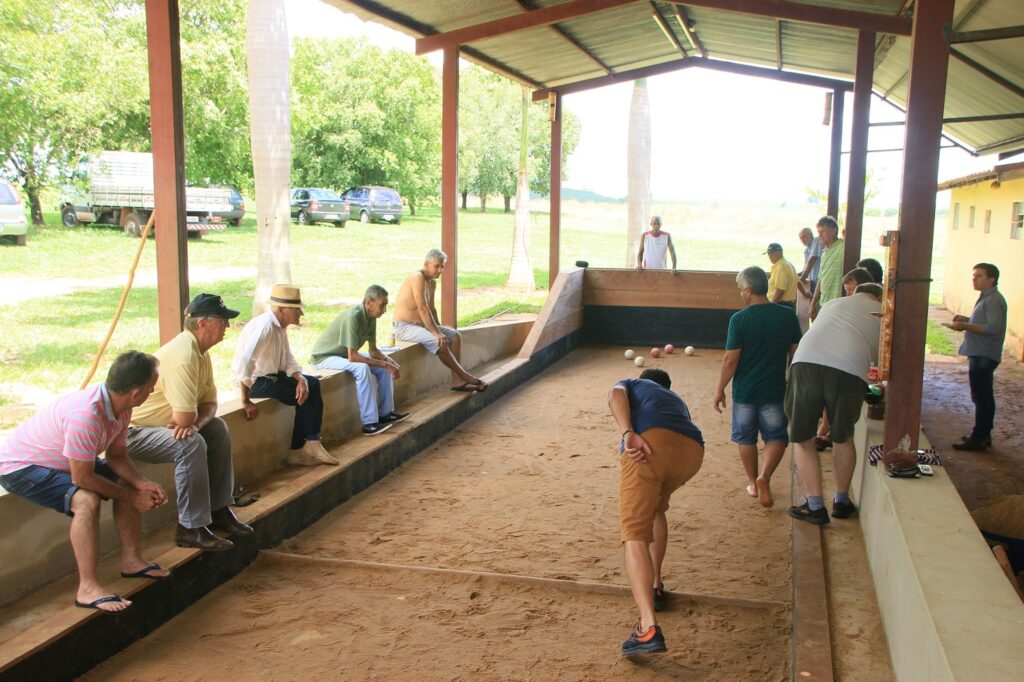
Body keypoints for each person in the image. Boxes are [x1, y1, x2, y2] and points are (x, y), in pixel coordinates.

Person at [0, 351, 170, 613]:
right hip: (19, 466)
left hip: (63, 461)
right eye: (151, 388)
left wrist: (142, 484)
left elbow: (117, 457)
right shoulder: (86, 415)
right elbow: (82, 478)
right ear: (136, 392)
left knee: (128, 485)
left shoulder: (121, 407)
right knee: (86, 499)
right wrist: (132, 498)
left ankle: (133, 561)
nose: (152, 392)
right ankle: (87, 588)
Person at [128, 294, 253, 552]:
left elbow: (209, 405)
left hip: (165, 426)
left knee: (216, 429)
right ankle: (190, 527)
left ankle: (219, 509)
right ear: (203, 324)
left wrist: (195, 424)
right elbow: (184, 418)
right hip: (135, 432)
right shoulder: (184, 354)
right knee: (189, 443)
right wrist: (192, 425)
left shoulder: (201, 353)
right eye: (222, 321)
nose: (227, 327)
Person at [607, 368, 704, 655]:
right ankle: (656, 584)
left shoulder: (633, 383)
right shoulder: (676, 400)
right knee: (657, 509)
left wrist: (627, 432)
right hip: (692, 452)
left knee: (634, 532)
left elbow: (615, 394)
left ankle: (647, 627)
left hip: (651, 446)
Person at [785, 283, 882, 524]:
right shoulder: (884, 313)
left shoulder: (834, 303)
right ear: (879, 296)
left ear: (855, 292)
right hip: (849, 370)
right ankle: (841, 501)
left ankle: (815, 505)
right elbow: (881, 367)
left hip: (807, 360)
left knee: (802, 439)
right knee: (843, 437)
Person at [713, 267, 802, 508]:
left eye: (741, 289)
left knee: (746, 438)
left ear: (749, 291)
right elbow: (796, 353)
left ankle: (753, 482)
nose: (740, 293)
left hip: (745, 391)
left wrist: (720, 388)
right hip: (774, 388)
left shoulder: (739, 320)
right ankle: (766, 476)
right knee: (776, 437)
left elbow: (731, 360)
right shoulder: (787, 316)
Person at [232, 284, 339, 467]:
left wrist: (300, 378)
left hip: (273, 377)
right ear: (282, 310)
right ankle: (307, 445)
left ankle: (304, 447)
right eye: (297, 310)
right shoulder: (265, 327)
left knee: (310, 385)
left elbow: (288, 359)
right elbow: (246, 362)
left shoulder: (279, 328)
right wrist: (245, 399)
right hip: (257, 383)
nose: (301, 314)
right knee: (307, 394)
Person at [311, 284, 409, 436]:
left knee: (384, 368)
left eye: (386, 306)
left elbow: (373, 351)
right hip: (325, 357)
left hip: (343, 355)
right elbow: (353, 357)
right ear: (368, 302)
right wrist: (385, 364)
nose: (384, 311)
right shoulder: (353, 317)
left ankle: (386, 414)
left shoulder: (371, 317)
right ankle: (369, 423)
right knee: (361, 368)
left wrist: (389, 362)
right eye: (382, 305)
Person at [392, 249, 488, 392]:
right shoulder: (417, 277)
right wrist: (436, 333)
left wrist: (439, 329)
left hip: (421, 326)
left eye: (442, 266)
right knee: (439, 341)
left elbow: (431, 309)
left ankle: (457, 380)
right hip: (404, 327)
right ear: (426, 264)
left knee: (454, 336)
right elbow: (422, 308)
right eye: (437, 266)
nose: (440, 270)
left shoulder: (432, 283)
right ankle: (466, 376)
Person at [948, 263, 1007, 451]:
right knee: (981, 395)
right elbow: (984, 323)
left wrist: (966, 326)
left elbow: (992, 328)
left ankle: (980, 435)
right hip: (980, 352)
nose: (974, 279)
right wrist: (966, 320)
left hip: (984, 354)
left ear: (992, 279)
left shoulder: (994, 300)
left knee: (982, 396)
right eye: (974, 276)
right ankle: (982, 434)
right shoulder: (986, 298)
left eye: (979, 276)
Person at [808, 216, 844, 322]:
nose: (819, 235)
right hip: (823, 303)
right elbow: (821, 279)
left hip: (837, 304)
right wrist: (813, 303)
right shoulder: (824, 252)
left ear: (834, 231)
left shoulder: (843, 247)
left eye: (823, 231)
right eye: (818, 232)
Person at [764, 243, 798, 310]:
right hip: (790, 305)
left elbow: (780, 289)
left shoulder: (781, 267)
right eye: (768, 254)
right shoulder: (789, 265)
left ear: (778, 253)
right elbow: (798, 282)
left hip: (780, 305)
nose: (769, 256)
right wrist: (805, 293)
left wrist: (771, 305)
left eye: (771, 254)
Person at [797, 227, 821, 300]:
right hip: (811, 282)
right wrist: (796, 276)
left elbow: (812, 259)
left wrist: (803, 277)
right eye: (800, 238)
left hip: (819, 281)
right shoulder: (806, 250)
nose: (802, 240)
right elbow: (805, 268)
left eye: (804, 237)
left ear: (811, 235)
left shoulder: (816, 241)